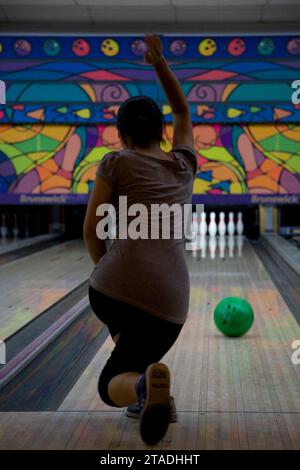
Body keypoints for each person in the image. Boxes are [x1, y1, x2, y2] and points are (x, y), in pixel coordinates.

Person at [84, 34, 197, 445]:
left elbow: (93, 226)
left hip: (114, 287)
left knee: (111, 377)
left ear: (121, 134)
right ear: (163, 131)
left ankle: (142, 389)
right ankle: (144, 386)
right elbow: (183, 109)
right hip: (171, 301)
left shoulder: (115, 161)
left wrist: (102, 269)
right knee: (139, 340)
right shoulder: (185, 164)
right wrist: (159, 62)